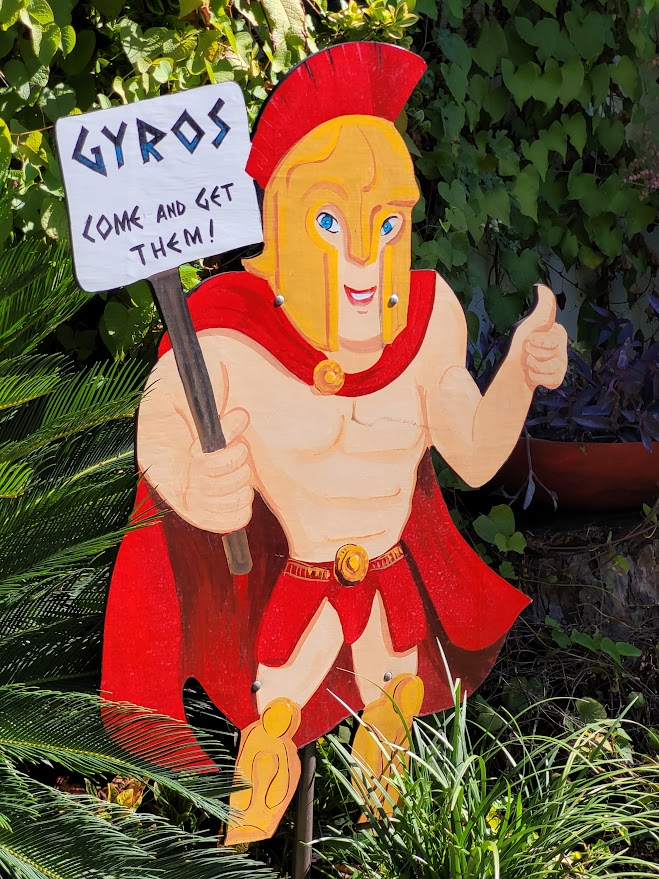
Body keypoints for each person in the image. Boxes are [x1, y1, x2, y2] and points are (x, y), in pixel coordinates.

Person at [102, 42, 568, 844]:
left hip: (391, 590)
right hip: (296, 587)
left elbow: (472, 454)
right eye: (329, 222)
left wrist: (518, 375)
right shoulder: (231, 336)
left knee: (390, 717)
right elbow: (162, 421)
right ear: (282, 225)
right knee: (272, 731)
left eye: (386, 224)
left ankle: (377, 778)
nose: (363, 262)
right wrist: (190, 481)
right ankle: (252, 815)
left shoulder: (427, 325)